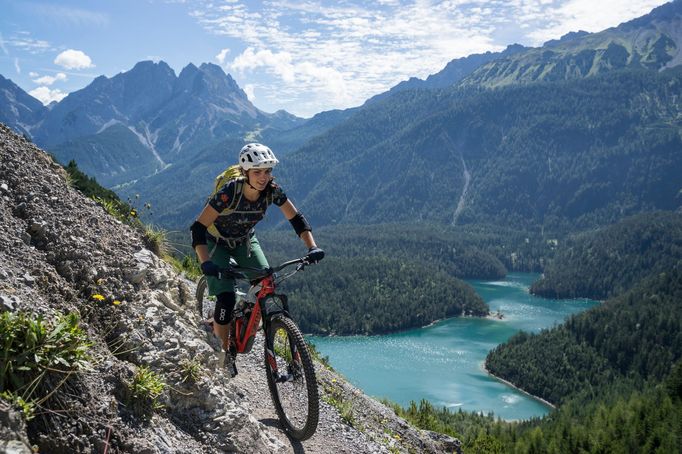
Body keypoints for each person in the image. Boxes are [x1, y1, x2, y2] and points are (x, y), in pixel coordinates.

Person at [190, 143, 324, 376]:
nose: (264, 177)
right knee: (226, 297)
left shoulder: (272, 190)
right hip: (215, 242)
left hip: (244, 240)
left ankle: (246, 318)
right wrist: (206, 263)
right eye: (257, 172)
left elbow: (296, 218)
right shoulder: (229, 192)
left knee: (266, 282)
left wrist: (312, 247)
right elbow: (198, 227)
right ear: (245, 173)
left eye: (268, 171)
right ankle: (224, 355)